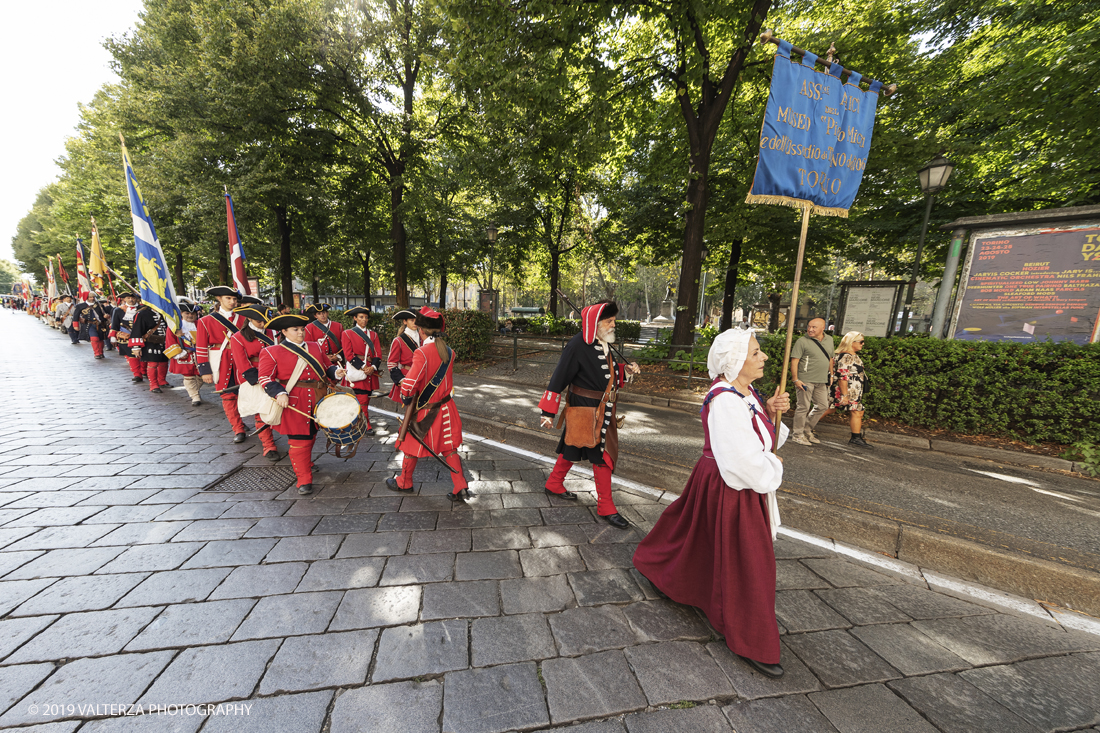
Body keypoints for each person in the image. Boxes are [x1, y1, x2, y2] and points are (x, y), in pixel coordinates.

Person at [633, 328, 791, 679]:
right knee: (747, 560)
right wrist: (772, 471)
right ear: (734, 362)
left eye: (760, 351)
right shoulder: (725, 400)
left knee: (699, 542)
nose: (764, 357)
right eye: (755, 353)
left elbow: (763, 438)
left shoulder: (746, 393)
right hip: (730, 486)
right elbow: (740, 461)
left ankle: (672, 579)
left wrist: (770, 412)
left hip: (731, 484)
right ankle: (752, 637)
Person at [537, 301, 641, 529]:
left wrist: (625, 370)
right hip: (585, 408)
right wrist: (548, 411)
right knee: (601, 453)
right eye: (609, 321)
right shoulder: (577, 345)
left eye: (614, 320)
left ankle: (554, 484)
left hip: (602, 408)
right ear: (595, 322)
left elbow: (604, 374)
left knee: (573, 446)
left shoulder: (603, 342)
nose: (614, 325)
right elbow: (559, 378)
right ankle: (606, 507)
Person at [385, 307, 470, 501]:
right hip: (446, 408)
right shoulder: (450, 351)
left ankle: (404, 482)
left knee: (410, 445)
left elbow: (410, 385)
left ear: (422, 330)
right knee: (449, 448)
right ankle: (460, 485)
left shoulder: (422, 353)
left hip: (426, 410)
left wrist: (403, 387)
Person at [258, 313, 346, 495]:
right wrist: (279, 393)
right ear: (284, 331)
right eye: (295, 329)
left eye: (302, 329)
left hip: (318, 397)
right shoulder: (271, 351)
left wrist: (336, 372)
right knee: (299, 440)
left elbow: (325, 367)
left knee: (312, 434)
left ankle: (306, 463)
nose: (300, 333)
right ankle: (304, 479)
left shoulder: (314, 346)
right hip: (294, 401)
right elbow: (265, 378)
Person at [196, 286, 249, 443]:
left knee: (247, 393)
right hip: (221, 360)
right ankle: (238, 428)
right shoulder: (205, 321)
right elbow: (200, 347)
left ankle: (244, 421)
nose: (232, 302)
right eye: (228, 298)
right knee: (227, 395)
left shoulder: (243, 318)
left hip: (242, 359)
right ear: (219, 299)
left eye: (234, 299)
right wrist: (205, 370)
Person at [229, 305, 282, 461]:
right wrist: (259, 379)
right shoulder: (238, 337)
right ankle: (268, 446)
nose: (263, 324)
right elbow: (242, 363)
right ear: (250, 319)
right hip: (256, 377)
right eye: (259, 321)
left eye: (265, 321)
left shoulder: (273, 332)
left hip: (276, 374)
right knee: (261, 411)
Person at [788, 317, 834, 446]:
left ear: (823, 328)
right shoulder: (802, 341)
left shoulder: (829, 340)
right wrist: (795, 379)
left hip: (822, 379)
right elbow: (795, 361)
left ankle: (806, 430)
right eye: (809, 326)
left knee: (823, 405)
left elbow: (830, 358)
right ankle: (797, 434)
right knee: (803, 407)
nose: (810, 329)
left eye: (814, 327)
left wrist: (831, 374)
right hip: (805, 380)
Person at [340, 306, 383, 435]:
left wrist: (373, 367)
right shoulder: (347, 333)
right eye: (361, 317)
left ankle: (356, 420)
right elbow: (348, 355)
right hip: (357, 368)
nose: (364, 320)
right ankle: (365, 425)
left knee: (365, 399)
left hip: (371, 370)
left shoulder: (373, 334)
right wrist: (363, 367)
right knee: (362, 398)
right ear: (355, 318)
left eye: (365, 317)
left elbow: (378, 354)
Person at [829, 331, 872, 448]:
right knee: (829, 408)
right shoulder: (846, 356)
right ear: (851, 342)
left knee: (857, 411)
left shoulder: (851, 355)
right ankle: (805, 427)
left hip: (852, 391)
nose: (863, 344)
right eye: (861, 342)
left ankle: (856, 437)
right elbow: (843, 376)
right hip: (846, 390)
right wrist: (844, 395)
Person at [165, 299, 204, 406]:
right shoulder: (175, 326)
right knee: (189, 376)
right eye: (187, 313)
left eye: (193, 313)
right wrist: (179, 353)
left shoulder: (201, 324)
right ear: (181, 313)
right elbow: (170, 341)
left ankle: (194, 391)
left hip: (200, 354)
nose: (190, 316)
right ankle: (195, 396)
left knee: (202, 376)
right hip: (184, 355)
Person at [129, 301, 170, 393]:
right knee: (153, 364)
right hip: (150, 342)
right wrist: (136, 346)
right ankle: (153, 384)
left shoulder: (165, 313)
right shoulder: (142, 314)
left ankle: (162, 380)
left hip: (164, 341)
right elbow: (137, 330)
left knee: (164, 361)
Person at [386, 309, 420, 405]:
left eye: (416, 320)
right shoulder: (398, 340)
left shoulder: (423, 338)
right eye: (411, 320)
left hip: (421, 376)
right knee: (408, 413)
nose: (415, 323)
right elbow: (391, 363)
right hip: (407, 377)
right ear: (405, 321)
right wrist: (401, 380)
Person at [110, 292, 145, 382]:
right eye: (128, 298)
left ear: (136, 299)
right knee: (131, 355)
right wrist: (113, 337)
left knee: (143, 355)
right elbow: (115, 324)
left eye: (132, 298)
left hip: (142, 336)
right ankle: (137, 374)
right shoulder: (118, 310)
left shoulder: (143, 309)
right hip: (126, 336)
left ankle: (143, 371)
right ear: (124, 299)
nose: (130, 300)